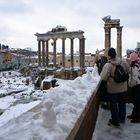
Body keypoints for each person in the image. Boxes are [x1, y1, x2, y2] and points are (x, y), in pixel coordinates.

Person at [100, 48, 129, 127]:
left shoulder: (108, 65)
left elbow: (103, 77)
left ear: (109, 55)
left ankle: (115, 121)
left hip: (113, 89)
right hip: (123, 87)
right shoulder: (122, 62)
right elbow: (128, 70)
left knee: (114, 105)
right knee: (122, 103)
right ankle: (122, 118)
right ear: (115, 54)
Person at [127, 52, 140, 123]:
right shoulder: (136, 65)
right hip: (137, 85)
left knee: (137, 102)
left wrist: (130, 84)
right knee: (135, 101)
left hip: (137, 85)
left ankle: (138, 117)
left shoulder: (135, 67)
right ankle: (134, 115)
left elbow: (134, 78)